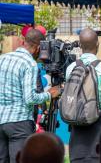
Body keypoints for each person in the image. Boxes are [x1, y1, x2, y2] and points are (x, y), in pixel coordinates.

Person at [0, 29, 61, 163]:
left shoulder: (3, 59)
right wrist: (49, 95)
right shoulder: (30, 63)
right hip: (19, 123)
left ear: (24, 42)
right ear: (38, 48)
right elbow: (30, 98)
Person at [66, 28, 101, 163]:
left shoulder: (71, 67)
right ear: (97, 44)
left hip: (77, 120)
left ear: (80, 45)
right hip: (99, 120)